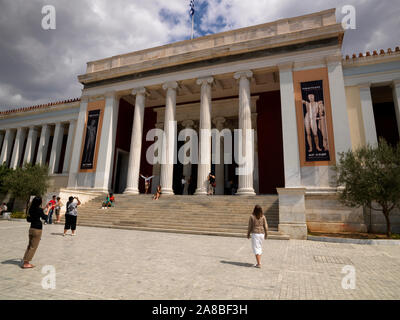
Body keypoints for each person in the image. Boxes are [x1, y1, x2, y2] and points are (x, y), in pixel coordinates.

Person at [22, 196, 48, 269]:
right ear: (40, 202)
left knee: (29, 245)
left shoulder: (31, 209)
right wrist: (48, 210)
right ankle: (26, 263)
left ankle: (25, 260)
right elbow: (45, 218)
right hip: (37, 229)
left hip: (31, 228)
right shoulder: (39, 210)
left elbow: (29, 219)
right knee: (33, 247)